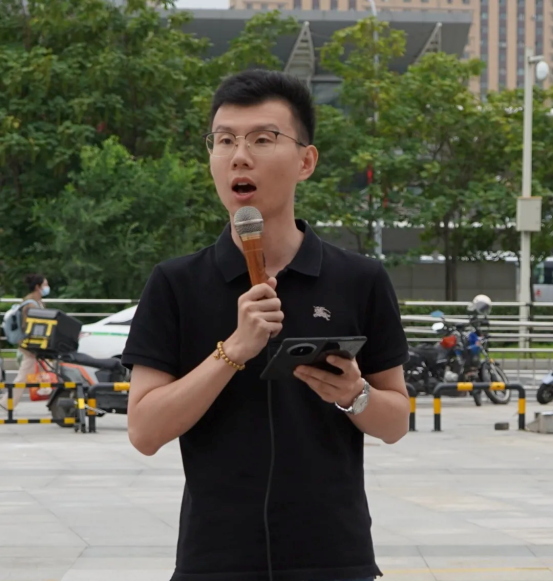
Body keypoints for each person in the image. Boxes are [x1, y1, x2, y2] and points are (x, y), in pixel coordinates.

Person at [122, 70, 410, 582]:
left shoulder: (359, 278)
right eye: (224, 140)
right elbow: (144, 431)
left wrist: (355, 394)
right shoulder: (176, 283)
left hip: (335, 560)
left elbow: (396, 422)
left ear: (306, 161)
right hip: (215, 562)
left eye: (262, 139)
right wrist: (234, 349)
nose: (239, 156)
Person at [0, 273, 50, 411]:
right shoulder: (30, 304)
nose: (47, 287)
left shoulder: (38, 302)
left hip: (35, 344)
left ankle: (48, 392)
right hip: (29, 345)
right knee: (24, 375)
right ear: (38, 287)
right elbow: (27, 326)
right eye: (45, 284)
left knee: (45, 367)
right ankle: (6, 403)